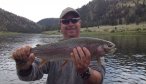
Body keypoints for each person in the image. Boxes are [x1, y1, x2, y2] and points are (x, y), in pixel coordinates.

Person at [12, 7, 106, 84]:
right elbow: (32, 75)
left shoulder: (92, 48)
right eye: (65, 21)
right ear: (60, 25)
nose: (70, 23)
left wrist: (85, 71)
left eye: (74, 20)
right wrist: (23, 65)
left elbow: (98, 80)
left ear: (80, 23)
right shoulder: (51, 49)